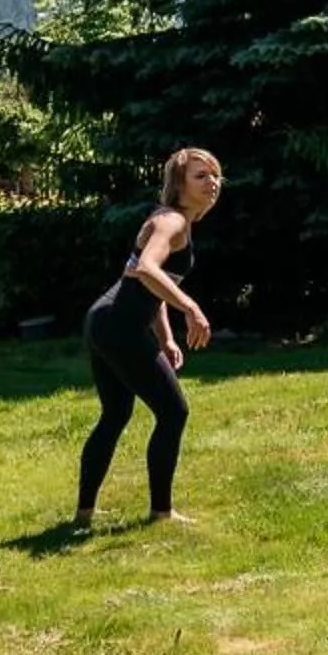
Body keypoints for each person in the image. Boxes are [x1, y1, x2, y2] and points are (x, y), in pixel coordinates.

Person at [75, 148, 221, 529]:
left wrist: (167, 339)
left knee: (115, 414)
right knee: (174, 412)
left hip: (107, 320)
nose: (212, 183)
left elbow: (153, 290)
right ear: (179, 184)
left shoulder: (177, 223)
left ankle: (83, 515)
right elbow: (146, 269)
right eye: (200, 176)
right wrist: (191, 308)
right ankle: (161, 512)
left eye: (214, 175)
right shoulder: (170, 221)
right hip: (117, 323)